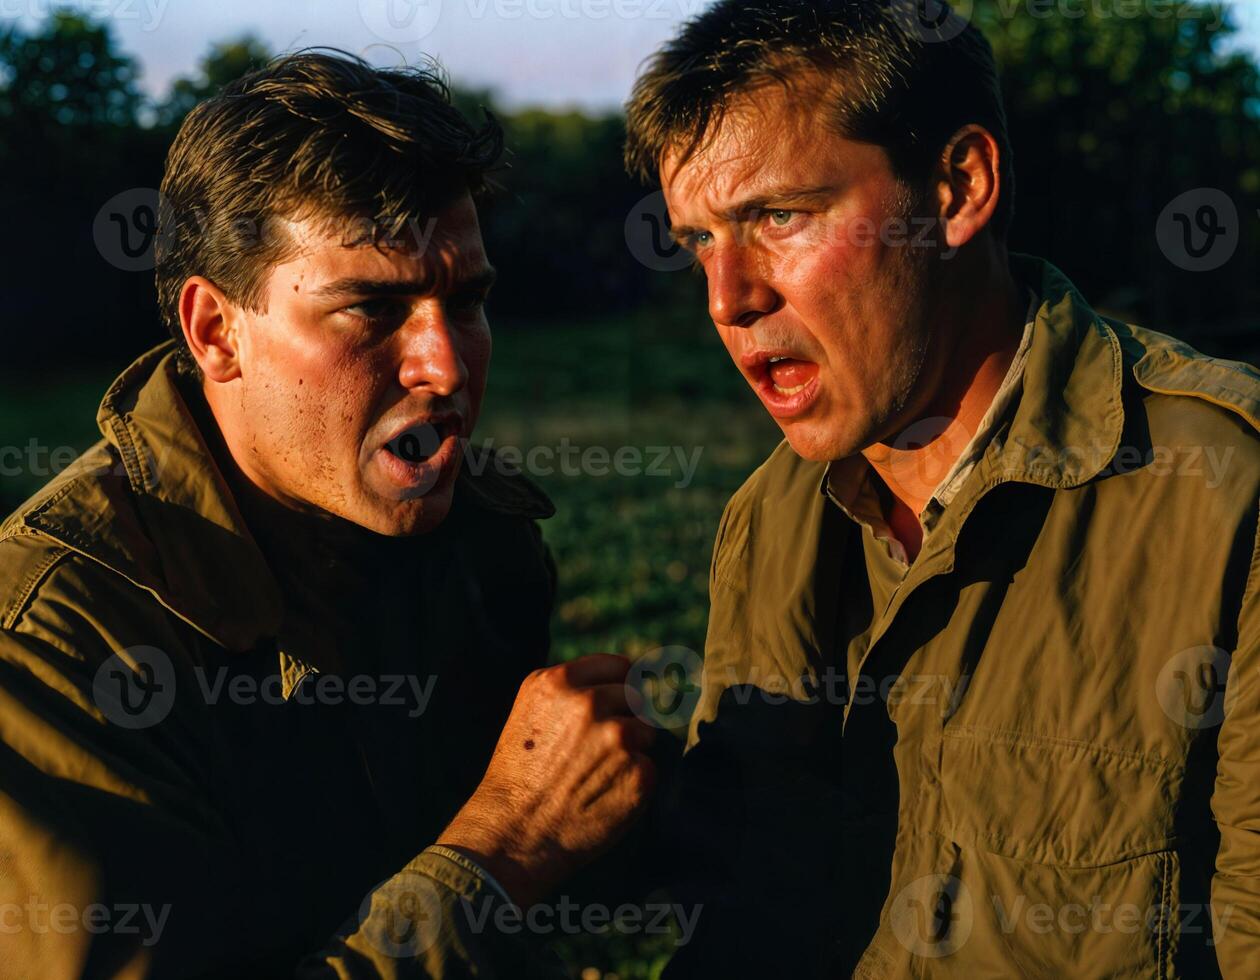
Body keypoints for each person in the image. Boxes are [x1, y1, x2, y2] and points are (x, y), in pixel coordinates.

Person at [624, 2, 1260, 976]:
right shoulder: (770, 520)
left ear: (959, 188)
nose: (728, 298)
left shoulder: (1226, 498)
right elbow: (741, 911)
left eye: (778, 217)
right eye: (700, 240)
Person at [0, 50, 654, 977]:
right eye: (373, 309)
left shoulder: (479, 539)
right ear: (217, 332)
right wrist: (504, 849)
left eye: (466, 301)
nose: (447, 365)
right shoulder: (50, 650)